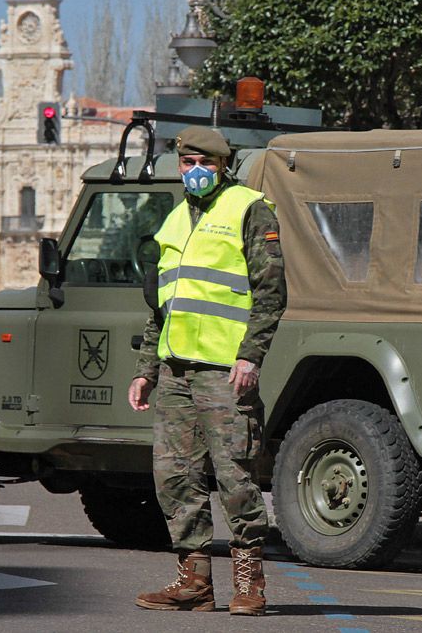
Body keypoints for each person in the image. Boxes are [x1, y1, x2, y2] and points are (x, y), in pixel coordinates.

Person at [128, 125, 285, 615]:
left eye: (205, 164)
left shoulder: (248, 208)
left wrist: (250, 355)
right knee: (174, 477)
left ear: (222, 166)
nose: (195, 172)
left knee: (234, 475)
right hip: (176, 372)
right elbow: (162, 306)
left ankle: (249, 584)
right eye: (187, 164)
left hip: (223, 370)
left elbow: (271, 292)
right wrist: (146, 369)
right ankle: (193, 581)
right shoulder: (175, 220)